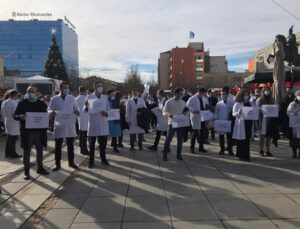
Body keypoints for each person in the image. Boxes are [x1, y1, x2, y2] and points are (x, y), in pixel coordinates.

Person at [14, 84, 49, 180]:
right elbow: (15, 116)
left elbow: (45, 115)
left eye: (32, 91)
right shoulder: (22, 103)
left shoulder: (41, 104)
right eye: (29, 91)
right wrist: (20, 116)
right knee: (27, 151)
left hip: (39, 132)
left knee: (40, 150)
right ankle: (26, 172)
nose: (31, 93)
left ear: (37, 93)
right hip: (27, 132)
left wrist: (48, 117)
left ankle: (40, 168)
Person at [49, 81, 80, 171]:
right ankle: (57, 164)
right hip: (59, 125)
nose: (66, 89)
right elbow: (49, 109)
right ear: (60, 88)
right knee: (58, 146)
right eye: (64, 88)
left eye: (67, 88)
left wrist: (77, 112)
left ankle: (71, 162)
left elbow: (77, 109)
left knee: (70, 145)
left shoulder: (72, 98)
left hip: (70, 124)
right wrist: (51, 112)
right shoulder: (54, 99)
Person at [86, 82, 110, 167]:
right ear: (94, 87)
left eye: (101, 86)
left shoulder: (105, 97)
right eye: (98, 86)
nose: (100, 87)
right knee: (91, 144)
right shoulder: (89, 96)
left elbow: (108, 109)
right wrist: (86, 107)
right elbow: (85, 109)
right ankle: (91, 161)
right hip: (93, 122)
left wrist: (106, 113)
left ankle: (103, 159)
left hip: (103, 122)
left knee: (103, 144)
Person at [162, 87, 187, 161]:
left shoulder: (183, 102)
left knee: (180, 140)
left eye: (182, 94)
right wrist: (168, 114)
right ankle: (165, 155)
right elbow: (164, 112)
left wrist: (186, 113)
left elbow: (185, 112)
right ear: (175, 93)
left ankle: (179, 155)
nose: (181, 95)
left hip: (180, 124)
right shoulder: (169, 102)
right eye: (180, 94)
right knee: (168, 139)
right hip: (172, 123)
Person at [232, 89, 253, 161]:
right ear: (242, 95)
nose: (246, 96)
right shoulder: (237, 104)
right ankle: (241, 155)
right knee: (241, 140)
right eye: (245, 95)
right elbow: (233, 114)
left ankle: (247, 155)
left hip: (249, 123)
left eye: (247, 95)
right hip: (241, 123)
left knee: (247, 139)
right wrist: (238, 112)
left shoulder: (250, 103)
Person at [1, 90, 22, 158]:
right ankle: (13, 154)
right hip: (13, 122)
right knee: (13, 139)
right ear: (15, 95)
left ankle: (7, 153)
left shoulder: (5, 102)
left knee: (9, 138)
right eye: (17, 95)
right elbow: (15, 114)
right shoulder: (14, 103)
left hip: (7, 121)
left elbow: (2, 112)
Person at [256, 87, 276, 157]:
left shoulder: (272, 99)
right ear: (263, 91)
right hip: (263, 119)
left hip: (270, 120)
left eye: (268, 90)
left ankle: (268, 150)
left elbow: (274, 108)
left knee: (269, 136)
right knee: (262, 135)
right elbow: (257, 108)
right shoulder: (259, 99)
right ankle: (261, 149)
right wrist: (262, 110)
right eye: (265, 90)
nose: (267, 92)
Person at [215, 87, 234, 155]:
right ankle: (222, 149)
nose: (223, 95)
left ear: (227, 95)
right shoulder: (218, 104)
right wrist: (216, 121)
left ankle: (230, 150)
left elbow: (233, 113)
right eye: (222, 94)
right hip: (220, 122)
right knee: (221, 137)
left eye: (224, 94)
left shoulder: (232, 103)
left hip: (228, 122)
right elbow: (216, 113)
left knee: (229, 137)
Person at [107, 89, 122, 153]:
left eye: (113, 94)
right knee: (104, 134)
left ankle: (114, 147)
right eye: (112, 94)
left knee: (114, 134)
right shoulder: (105, 101)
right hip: (106, 120)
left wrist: (119, 110)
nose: (113, 95)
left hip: (114, 120)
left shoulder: (115, 101)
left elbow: (118, 108)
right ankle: (102, 146)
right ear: (108, 94)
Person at [76, 86, 89, 155]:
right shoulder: (86, 98)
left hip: (79, 118)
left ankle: (81, 147)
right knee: (84, 134)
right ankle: (84, 149)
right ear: (84, 91)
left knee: (81, 133)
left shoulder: (76, 98)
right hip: (86, 118)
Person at [287, 90, 300, 158]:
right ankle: (294, 153)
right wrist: (293, 114)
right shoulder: (292, 104)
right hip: (294, 124)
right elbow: (288, 112)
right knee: (294, 138)